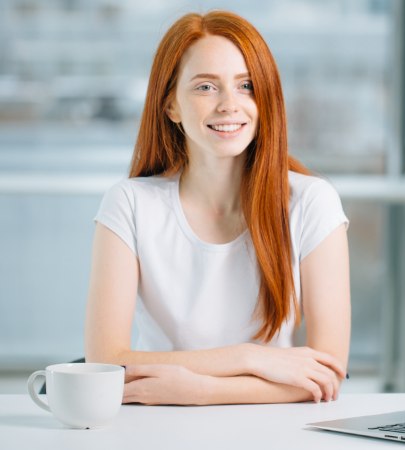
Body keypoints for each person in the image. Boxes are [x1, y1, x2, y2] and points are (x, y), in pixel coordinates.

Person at [84, 10, 350, 406]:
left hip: (268, 429)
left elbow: (325, 374)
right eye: (206, 87)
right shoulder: (130, 204)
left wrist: (202, 390)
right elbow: (105, 363)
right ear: (171, 105)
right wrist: (251, 357)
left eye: (246, 86)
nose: (230, 104)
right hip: (156, 425)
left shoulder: (312, 202)